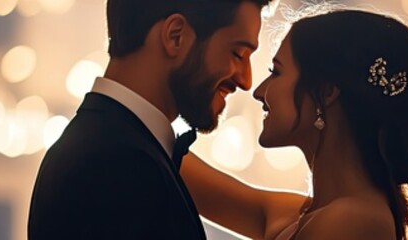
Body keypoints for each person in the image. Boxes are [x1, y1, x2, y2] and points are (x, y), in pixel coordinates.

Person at [181, 7, 408, 240]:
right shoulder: (307, 215)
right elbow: (186, 175)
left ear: (326, 92)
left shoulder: (352, 222)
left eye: (276, 72)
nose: (258, 91)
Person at [27, 0, 271, 238]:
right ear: (175, 36)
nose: (246, 81)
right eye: (238, 54)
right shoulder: (122, 166)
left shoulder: (111, 146)